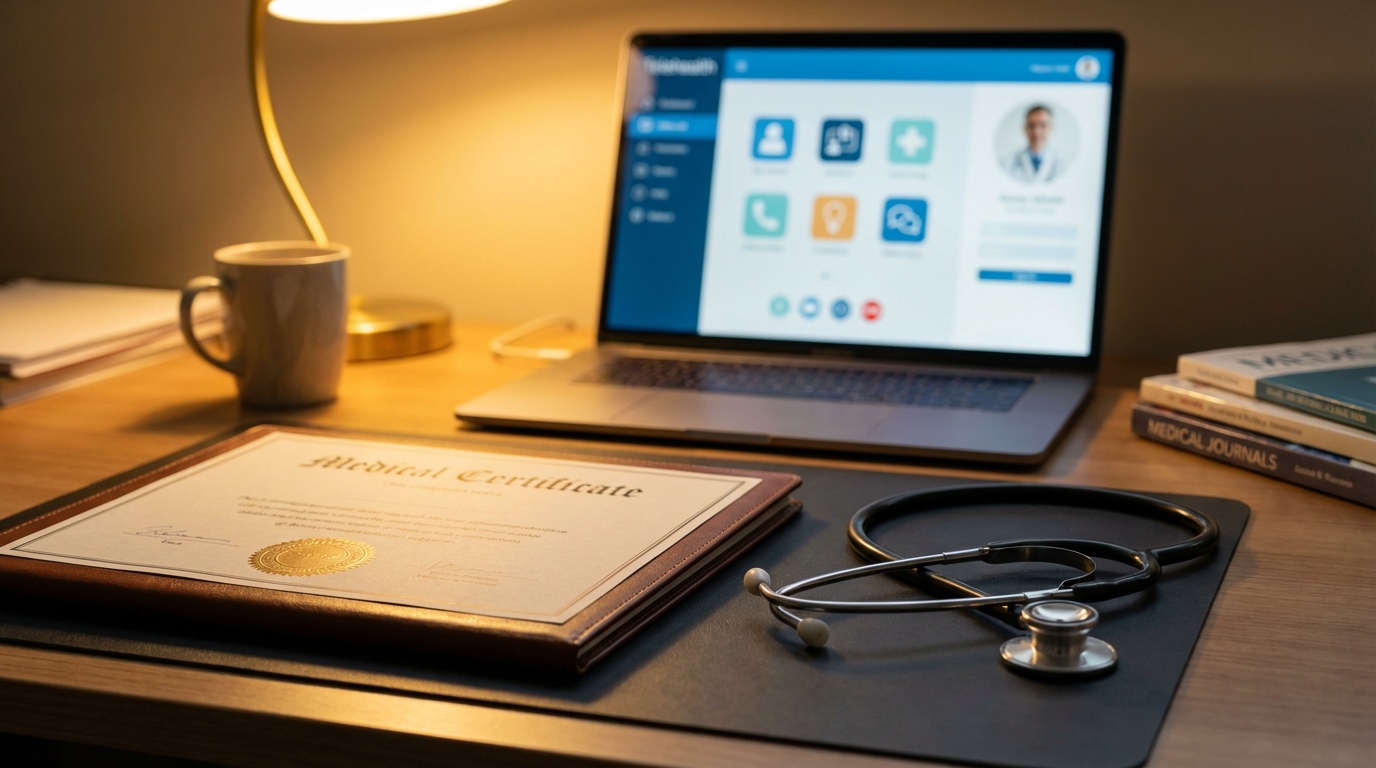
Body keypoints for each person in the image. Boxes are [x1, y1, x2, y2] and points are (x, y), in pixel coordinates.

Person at [1004, 105, 1060, 182]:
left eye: (1043, 125)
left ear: (1051, 128)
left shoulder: (1061, 162)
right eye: (1031, 125)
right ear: (1025, 129)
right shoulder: (1008, 162)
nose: (1036, 132)